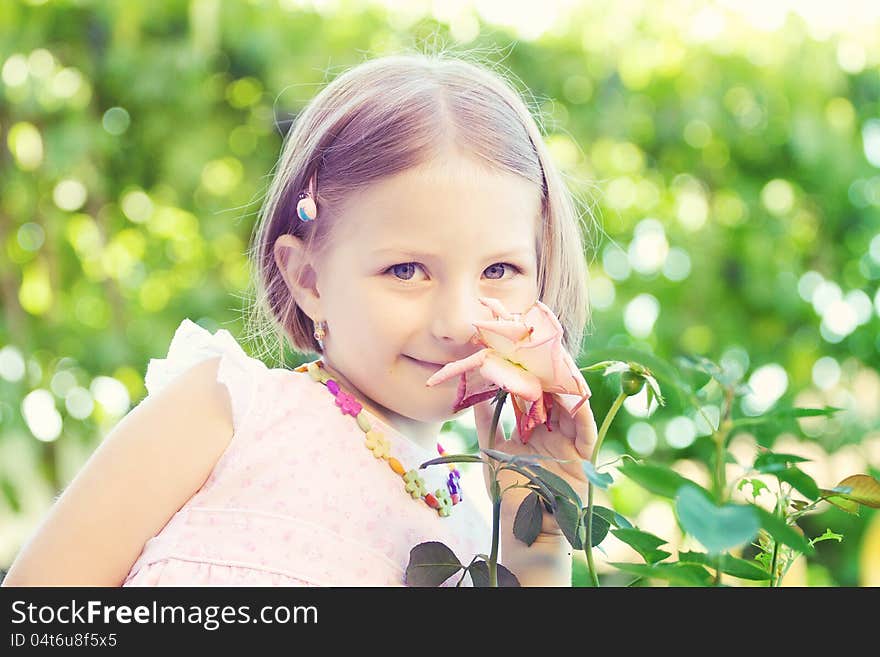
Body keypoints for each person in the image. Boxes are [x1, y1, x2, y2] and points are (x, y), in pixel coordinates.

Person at [2, 51, 598, 587]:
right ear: (309, 279)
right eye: (407, 270)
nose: (456, 322)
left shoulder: (479, 533)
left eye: (499, 272)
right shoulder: (230, 412)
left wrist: (540, 530)